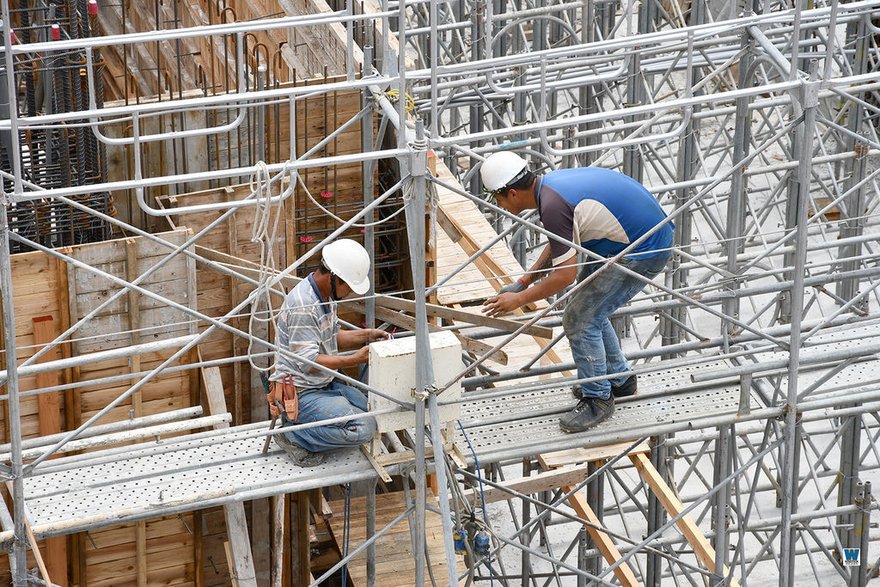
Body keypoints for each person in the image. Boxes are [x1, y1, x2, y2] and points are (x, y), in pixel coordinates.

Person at [480, 152, 673, 433]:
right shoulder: (550, 188)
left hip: (643, 249)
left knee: (579, 318)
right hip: (626, 240)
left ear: (511, 193)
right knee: (589, 309)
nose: (500, 206)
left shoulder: (552, 204)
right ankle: (618, 379)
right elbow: (561, 244)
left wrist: (519, 300)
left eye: (498, 200)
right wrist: (522, 283)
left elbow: (565, 275)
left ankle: (597, 398)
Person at [269, 238, 388, 466]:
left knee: (371, 408)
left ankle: (308, 427)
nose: (351, 293)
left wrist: (366, 336)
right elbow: (308, 362)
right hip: (301, 391)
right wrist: (355, 358)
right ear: (334, 277)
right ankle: (292, 435)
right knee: (363, 428)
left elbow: (331, 337)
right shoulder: (304, 306)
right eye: (349, 287)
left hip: (322, 384)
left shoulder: (326, 297)